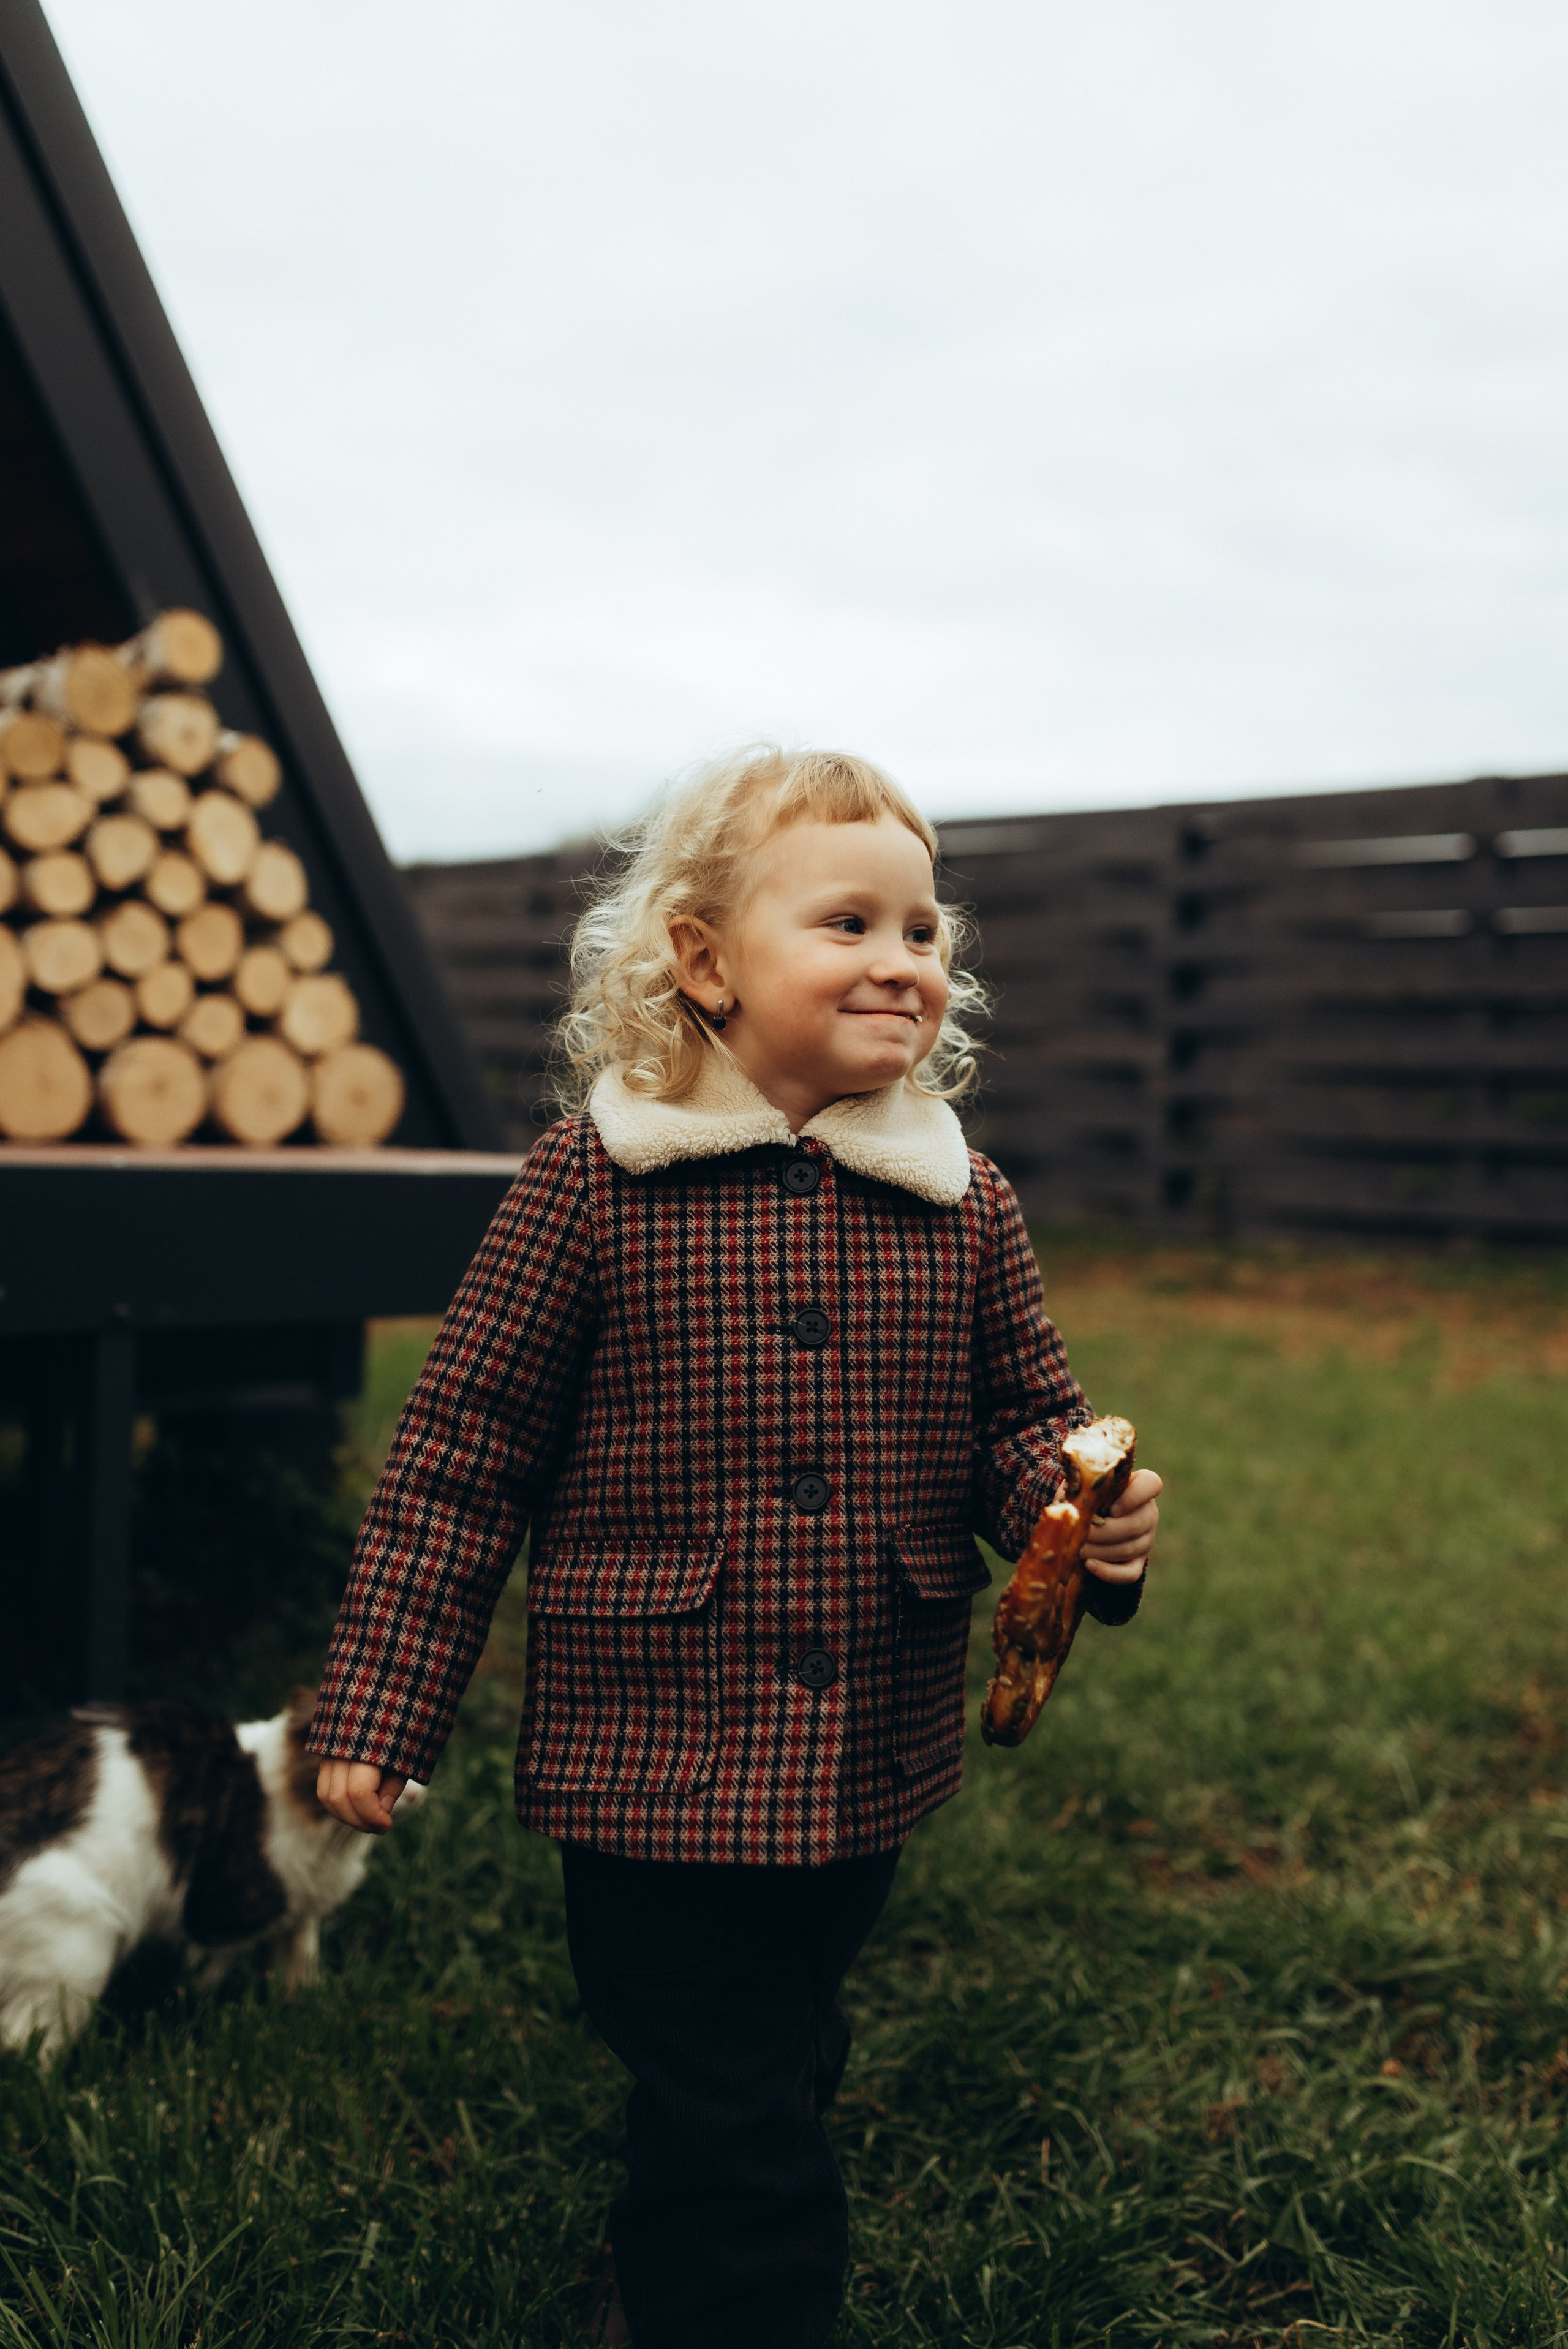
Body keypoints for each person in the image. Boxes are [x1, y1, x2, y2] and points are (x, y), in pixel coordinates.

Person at [309, 745, 1161, 2349]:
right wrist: (379, 1704)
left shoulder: (965, 1201)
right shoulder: (591, 1185)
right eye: (848, 920)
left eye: (924, 927)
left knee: (769, 2032)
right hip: (650, 1750)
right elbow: (459, 1459)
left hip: (867, 1746)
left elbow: (1023, 1427)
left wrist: (1086, 1514)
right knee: (724, 2094)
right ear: (703, 958)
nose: (903, 957)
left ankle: (735, 2137)